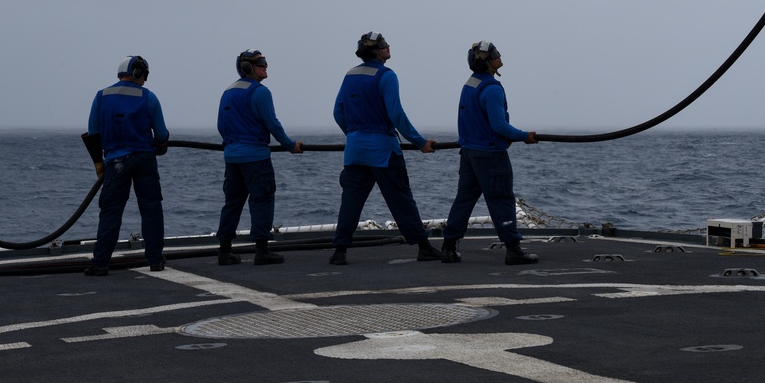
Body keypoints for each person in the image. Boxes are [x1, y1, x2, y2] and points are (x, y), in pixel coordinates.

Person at [329, 31, 441, 265]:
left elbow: (338, 112)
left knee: (351, 201)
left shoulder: (349, 75)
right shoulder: (387, 76)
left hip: (355, 151)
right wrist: (420, 142)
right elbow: (396, 115)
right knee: (401, 199)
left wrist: (354, 134)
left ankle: (340, 250)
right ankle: (423, 246)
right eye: (384, 45)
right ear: (377, 50)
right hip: (383, 151)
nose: (389, 47)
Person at [440, 40, 539, 265]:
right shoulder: (492, 89)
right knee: (502, 200)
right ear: (488, 62)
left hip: (469, 154)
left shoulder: (470, 85)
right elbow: (499, 126)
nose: (499, 56)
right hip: (491, 155)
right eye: (496, 54)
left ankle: (448, 247)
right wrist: (525, 136)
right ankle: (513, 249)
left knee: (463, 200)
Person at [83, 55, 170, 276]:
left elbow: (93, 133)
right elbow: (161, 134)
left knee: (111, 211)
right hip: (144, 159)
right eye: (144, 76)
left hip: (116, 162)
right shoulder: (149, 97)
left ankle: (100, 263)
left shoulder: (101, 96)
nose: (144, 81)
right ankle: (156, 260)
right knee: (151, 208)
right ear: (137, 73)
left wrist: (98, 163)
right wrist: (161, 144)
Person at [215, 50, 303, 266]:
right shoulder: (260, 92)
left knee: (232, 203)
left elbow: (221, 125)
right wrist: (290, 145)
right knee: (262, 200)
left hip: (232, 158)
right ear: (247, 68)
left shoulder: (228, 92)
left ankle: (225, 250)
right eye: (260, 63)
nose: (265, 66)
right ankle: (262, 250)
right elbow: (272, 124)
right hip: (255, 157)